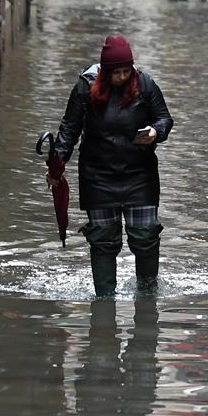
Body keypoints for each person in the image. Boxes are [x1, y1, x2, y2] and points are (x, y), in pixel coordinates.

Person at [48, 35, 174, 297]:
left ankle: (147, 297)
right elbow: (69, 128)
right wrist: (57, 166)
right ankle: (104, 302)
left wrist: (154, 131)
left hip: (140, 175)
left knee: (145, 236)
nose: (122, 76)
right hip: (98, 177)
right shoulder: (85, 88)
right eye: (116, 72)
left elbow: (164, 118)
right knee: (104, 240)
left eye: (126, 71)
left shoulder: (146, 84)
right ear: (105, 72)